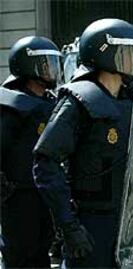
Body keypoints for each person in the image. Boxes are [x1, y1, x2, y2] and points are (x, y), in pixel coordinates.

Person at [32, 18, 133, 268]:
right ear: (105, 56)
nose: (132, 60)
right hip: (92, 221)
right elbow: (45, 163)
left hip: (129, 219)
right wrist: (69, 227)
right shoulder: (78, 101)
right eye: (125, 53)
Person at [0, 36, 63, 268]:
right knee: (20, 254)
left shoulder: (50, 101)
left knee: (42, 251)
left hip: (44, 192)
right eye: (45, 64)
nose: (52, 71)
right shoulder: (11, 105)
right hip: (19, 194)